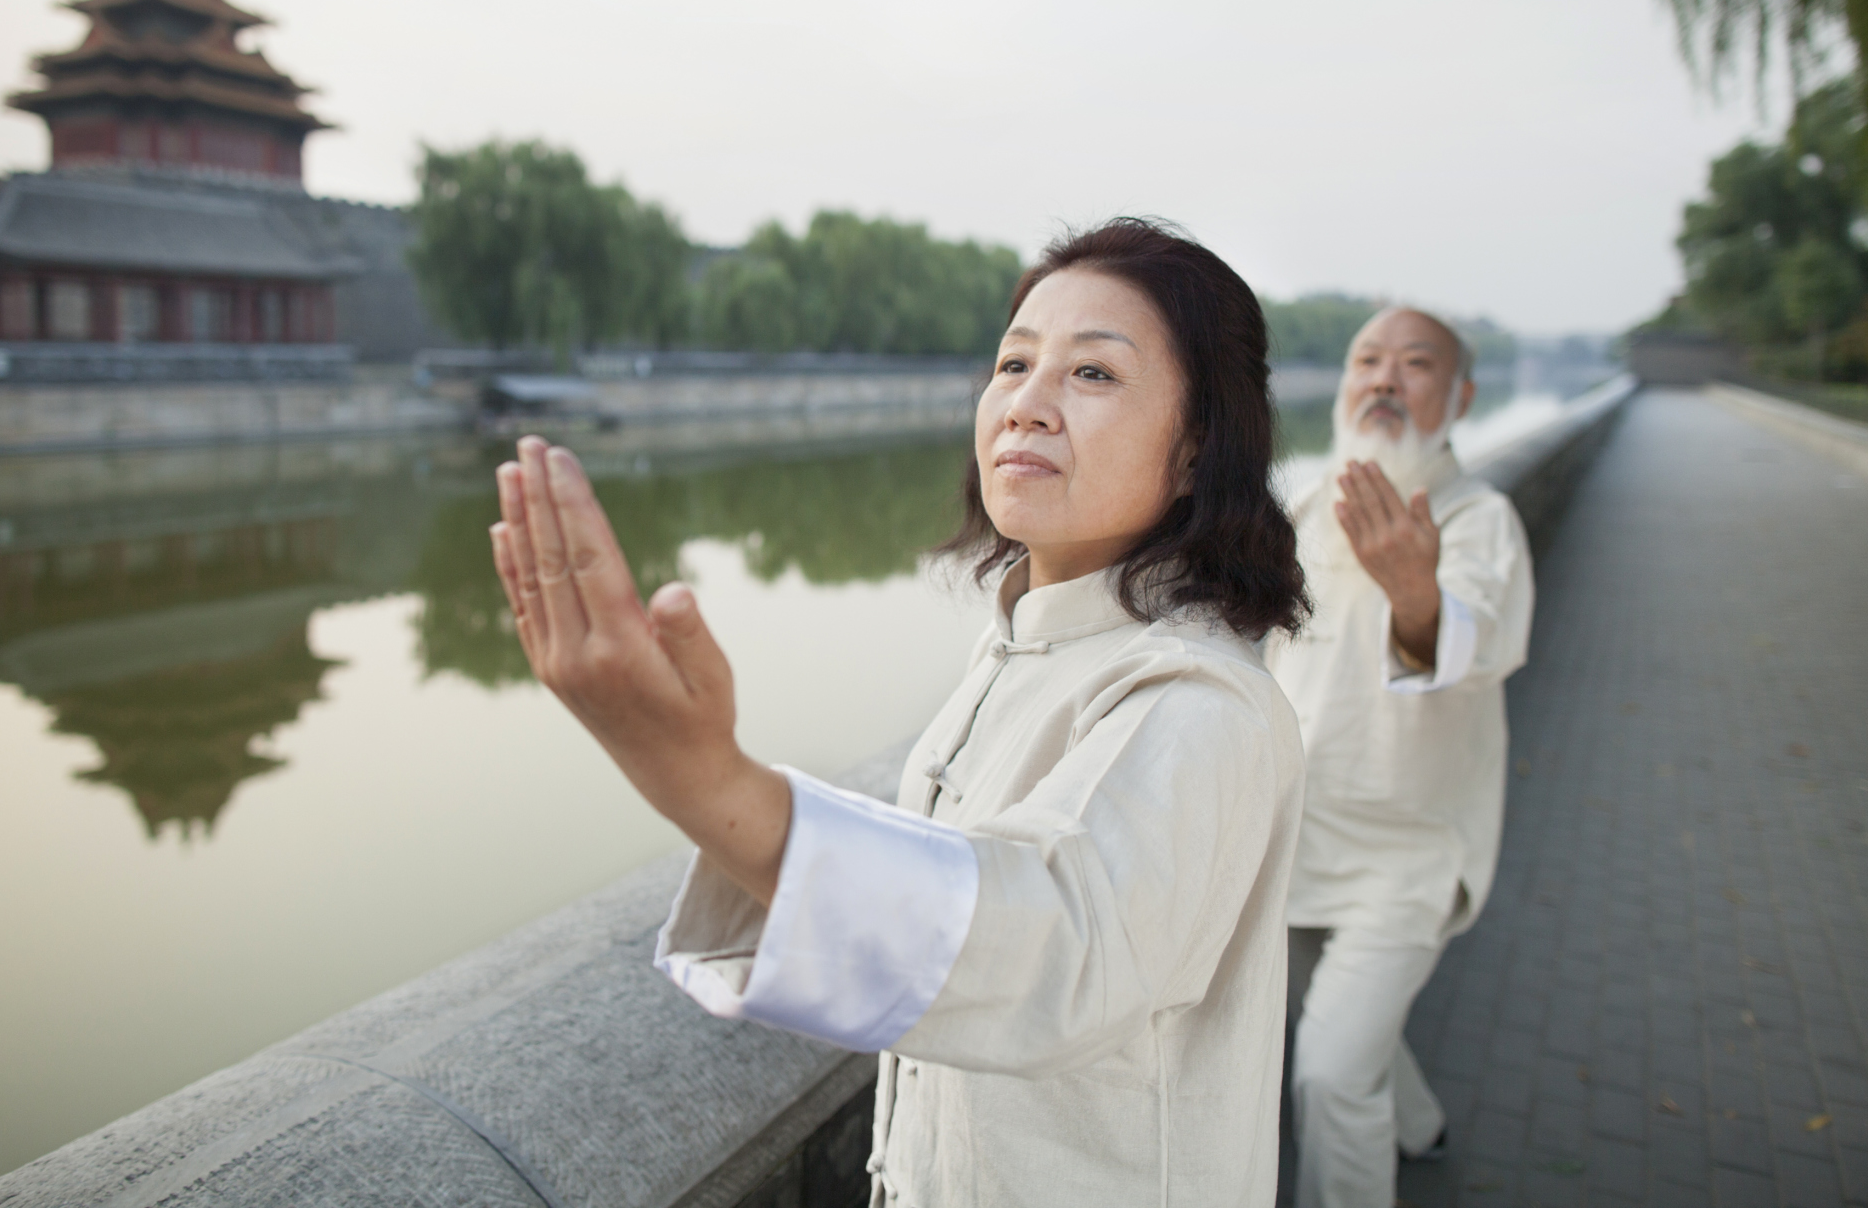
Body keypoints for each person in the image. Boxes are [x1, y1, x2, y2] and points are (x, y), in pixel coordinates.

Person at [488, 219, 1310, 1206]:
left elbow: (1055, 940)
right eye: (1012, 364)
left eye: (1092, 375)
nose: (1027, 405)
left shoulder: (1201, 699)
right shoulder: (1025, 639)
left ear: (1195, 449)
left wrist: (708, 784)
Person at [1265, 308, 1534, 1208]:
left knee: (1333, 1078)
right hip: (1292, 837)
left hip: (1404, 859)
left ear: (1459, 397)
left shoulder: (1478, 518)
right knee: (1335, 1026)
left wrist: (1416, 592)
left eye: (1414, 365)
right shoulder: (1305, 501)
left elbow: (1475, 638)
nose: (1384, 379)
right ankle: (1419, 1123)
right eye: (1366, 360)